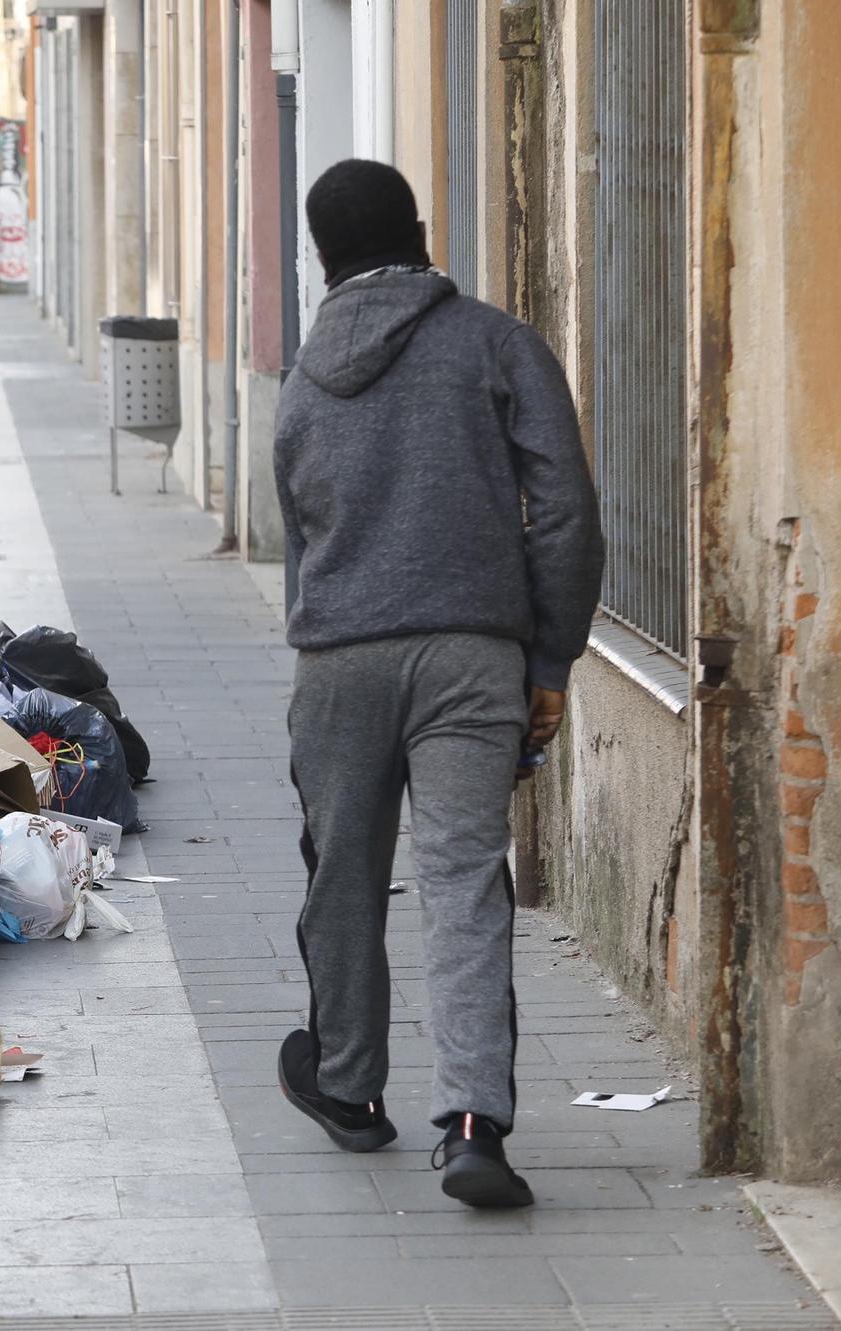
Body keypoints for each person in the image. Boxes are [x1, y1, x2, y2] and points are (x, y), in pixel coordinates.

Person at [272, 159, 603, 1210]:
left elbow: (300, 530)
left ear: (320, 255)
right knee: (464, 880)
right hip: (471, 654)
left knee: (342, 875)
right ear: (419, 232)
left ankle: (346, 1088)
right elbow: (563, 513)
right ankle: (470, 1125)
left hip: (337, 658)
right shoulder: (495, 342)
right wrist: (547, 657)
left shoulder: (302, 372)